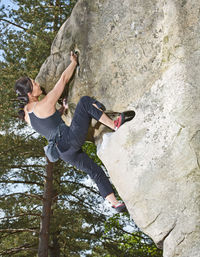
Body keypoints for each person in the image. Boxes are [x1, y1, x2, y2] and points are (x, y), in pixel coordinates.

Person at [15, 52, 135, 213]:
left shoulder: (27, 115)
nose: (38, 84)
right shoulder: (43, 104)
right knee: (85, 102)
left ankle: (114, 203)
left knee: (94, 170)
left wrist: (62, 109)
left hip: (62, 152)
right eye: (34, 84)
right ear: (30, 94)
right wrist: (73, 62)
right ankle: (114, 125)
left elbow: (47, 122)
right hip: (69, 139)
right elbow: (63, 79)